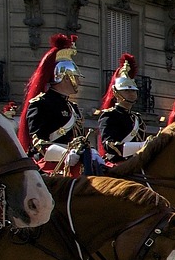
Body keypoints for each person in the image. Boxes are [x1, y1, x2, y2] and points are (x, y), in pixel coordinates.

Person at [17, 33, 99, 175]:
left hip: (76, 165)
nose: (79, 82)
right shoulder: (41, 103)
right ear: (65, 77)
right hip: (50, 167)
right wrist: (64, 154)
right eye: (76, 77)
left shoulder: (72, 107)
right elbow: (37, 142)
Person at [95, 53, 146, 164]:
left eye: (133, 91)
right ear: (116, 93)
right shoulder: (110, 115)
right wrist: (141, 146)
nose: (131, 94)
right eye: (126, 91)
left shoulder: (137, 118)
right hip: (118, 164)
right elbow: (109, 144)